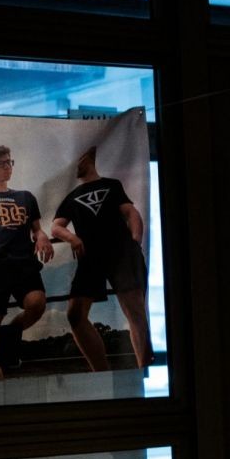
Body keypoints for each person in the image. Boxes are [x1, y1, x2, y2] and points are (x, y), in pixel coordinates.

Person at [50, 146, 152, 371]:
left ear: (89, 157)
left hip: (121, 252)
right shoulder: (71, 196)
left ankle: (143, 369)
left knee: (134, 310)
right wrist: (72, 238)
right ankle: (101, 373)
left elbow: (131, 212)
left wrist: (135, 242)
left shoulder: (112, 185)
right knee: (75, 314)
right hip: (90, 256)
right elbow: (56, 227)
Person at [0, 145, 54, 380]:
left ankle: (6, 339)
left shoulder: (25, 197)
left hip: (22, 262)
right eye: (0, 163)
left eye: (9, 162)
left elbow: (37, 229)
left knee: (36, 303)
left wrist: (41, 236)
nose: (7, 167)